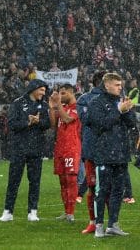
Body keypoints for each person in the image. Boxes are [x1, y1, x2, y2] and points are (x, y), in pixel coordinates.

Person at [86, 73, 137, 237]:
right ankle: (99, 225)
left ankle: (113, 224)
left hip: (121, 153)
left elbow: (131, 124)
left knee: (118, 191)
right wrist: (118, 111)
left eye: (120, 85)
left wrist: (128, 111)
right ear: (106, 85)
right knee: (102, 191)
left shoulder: (120, 101)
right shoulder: (96, 103)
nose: (120, 88)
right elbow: (100, 125)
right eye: (116, 85)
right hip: (104, 153)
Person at [0, 78, 50, 223]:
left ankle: (32, 211)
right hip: (19, 148)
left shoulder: (44, 105)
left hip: (36, 149)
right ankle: (8, 211)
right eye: (41, 90)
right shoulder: (17, 103)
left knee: (35, 181)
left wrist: (38, 121)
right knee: (13, 181)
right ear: (33, 88)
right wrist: (27, 122)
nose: (43, 93)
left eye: (44, 90)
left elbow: (47, 124)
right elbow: (12, 124)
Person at [76, 70, 106, 233]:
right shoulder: (84, 99)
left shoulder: (114, 98)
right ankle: (93, 221)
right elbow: (86, 119)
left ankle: (110, 223)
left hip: (109, 149)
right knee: (93, 187)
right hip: (94, 149)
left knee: (107, 188)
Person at [49, 83, 81, 223]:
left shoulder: (77, 108)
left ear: (70, 93)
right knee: (62, 181)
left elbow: (67, 119)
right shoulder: (64, 108)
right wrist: (51, 108)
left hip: (71, 148)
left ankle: (71, 212)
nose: (60, 97)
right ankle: (66, 211)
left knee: (71, 180)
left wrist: (58, 105)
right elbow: (52, 125)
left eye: (63, 93)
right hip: (60, 148)